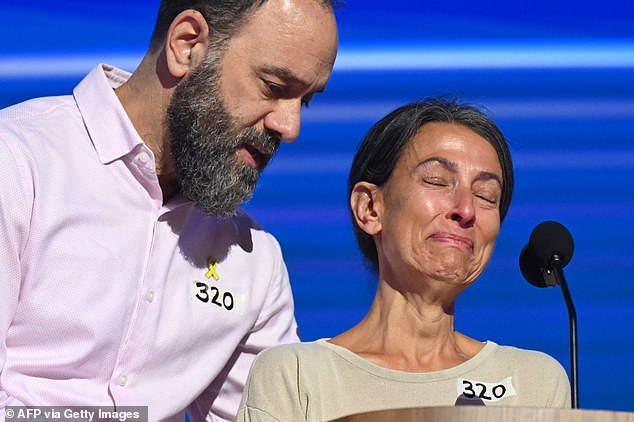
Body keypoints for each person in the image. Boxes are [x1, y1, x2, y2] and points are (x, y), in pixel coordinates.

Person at [0, 0, 338, 420]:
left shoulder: (255, 260)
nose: (290, 128)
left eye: (304, 101)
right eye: (273, 86)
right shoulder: (16, 163)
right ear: (187, 44)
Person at [237, 98, 571, 421]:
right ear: (370, 208)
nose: (466, 210)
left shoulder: (535, 382)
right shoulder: (296, 377)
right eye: (437, 181)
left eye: (486, 196)